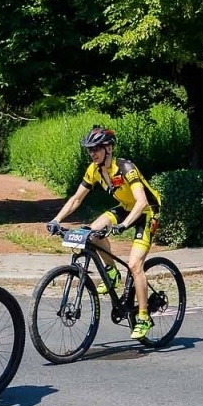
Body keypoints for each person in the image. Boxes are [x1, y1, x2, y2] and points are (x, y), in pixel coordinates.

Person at [46, 126, 164, 340]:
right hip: (125, 207)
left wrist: (124, 225)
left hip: (147, 211)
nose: (92, 154)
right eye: (90, 150)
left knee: (135, 264)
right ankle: (110, 271)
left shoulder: (126, 168)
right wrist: (56, 219)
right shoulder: (94, 170)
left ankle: (144, 316)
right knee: (91, 232)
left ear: (108, 148)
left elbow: (142, 201)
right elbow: (76, 199)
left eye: (96, 149)